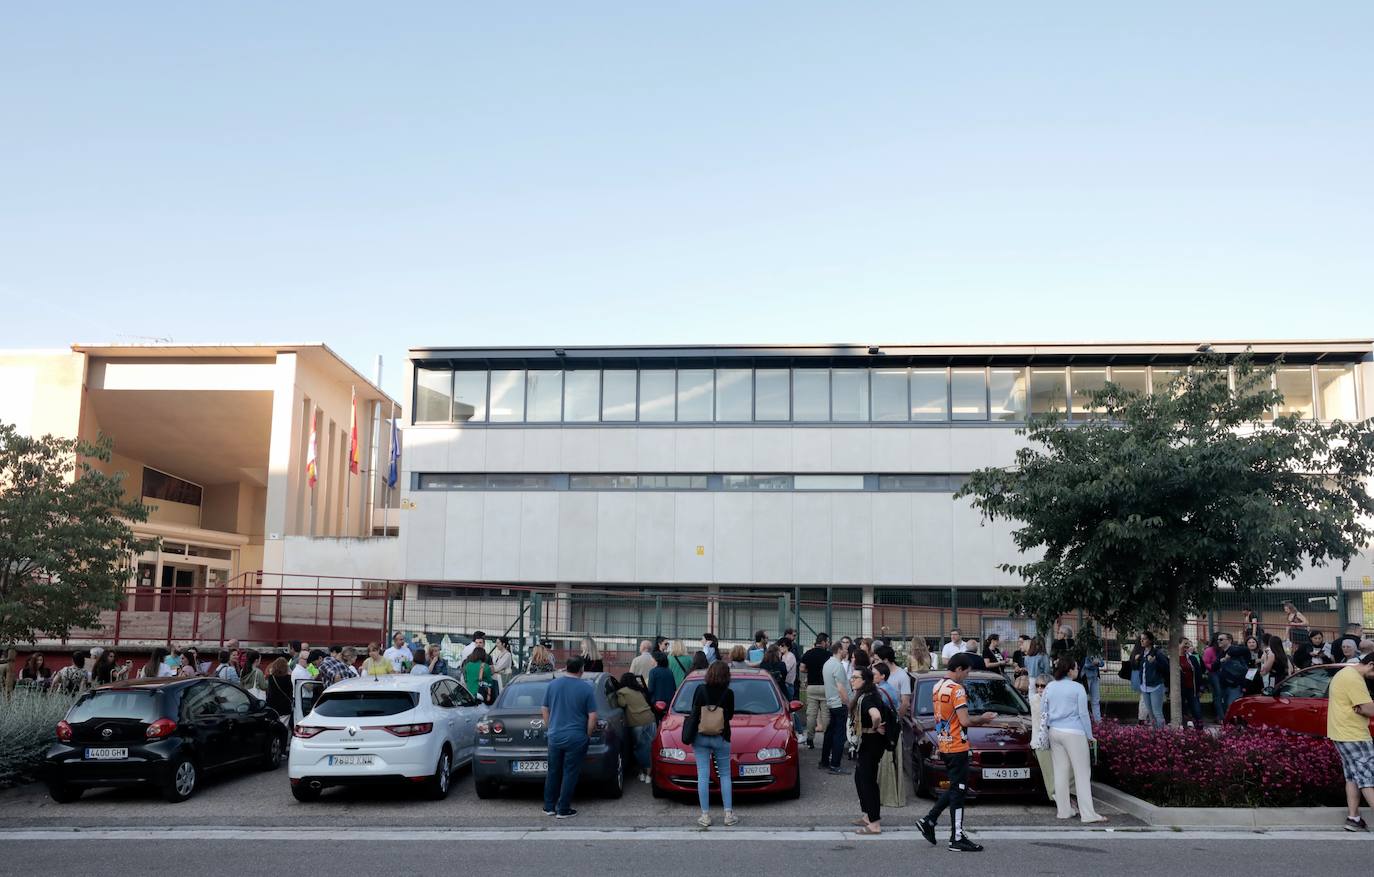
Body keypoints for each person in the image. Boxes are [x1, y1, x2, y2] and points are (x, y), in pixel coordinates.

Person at [916, 653, 999, 852]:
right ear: (959, 669)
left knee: (955, 787)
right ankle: (956, 837)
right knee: (959, 791)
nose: (967, 676)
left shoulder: (938, 686)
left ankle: (930, 820)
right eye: (967, 672)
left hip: (944, 743)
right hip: (957, 745)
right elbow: (965, 721)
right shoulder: (957, 689)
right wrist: (984, 718)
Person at [1044, 658, 1105, 823]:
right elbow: (1084, 714)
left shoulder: (1050, 686)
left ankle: (1063, 811)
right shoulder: (1078, 687)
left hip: (1054, 731)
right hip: (1074, 732)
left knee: (1060, 771)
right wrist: (1090, 735)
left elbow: (1045, 710)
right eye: (1076, 667)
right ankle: (1088, 814)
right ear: (1070, 670)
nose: (1078, 670)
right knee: (1082, 773)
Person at [542, 656, 598, 819]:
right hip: (576, 737)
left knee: (553, 771)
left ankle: (549, 806)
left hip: (555, 736)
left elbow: (544, 709)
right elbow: (593, 716)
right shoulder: (586, 688)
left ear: (566, 667)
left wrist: (551, 727)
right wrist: (587, 735)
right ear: (581, 669)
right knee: (570, 772)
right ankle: (563, 808)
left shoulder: (552, 685)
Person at [684, 660, 737, 827]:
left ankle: (705, 815)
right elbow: (729, 717)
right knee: (725, 775)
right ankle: (728, 814)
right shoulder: (728, 693)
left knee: (703, 774)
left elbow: (693, 710)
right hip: (721, 736)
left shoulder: (700, 689)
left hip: (700, 736)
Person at [1327, 652, 1374, 831]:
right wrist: (1366, 708)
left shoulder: (1345, 673)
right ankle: (1353, 818)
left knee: (1353, 776)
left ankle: (1353, 818)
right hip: (1354, 734)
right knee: (1368, 778)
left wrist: (1364, 708)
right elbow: (1369, 708)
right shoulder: (1354, 679)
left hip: (1340, 732)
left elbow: (1363, 707)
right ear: (1371, 664)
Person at [849, 668, 889, 834]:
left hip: (870, 743)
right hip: (867, 743)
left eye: (855, 677)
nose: (852, 680)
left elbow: (876, 715)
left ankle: (875, 823)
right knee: (860, 777)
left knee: (868, 781)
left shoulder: (866, 699)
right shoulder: (867, 696)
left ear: (864, 681)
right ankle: (868, 815)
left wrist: (874, 727)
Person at [872, 661, 906, 809]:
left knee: (887, 764)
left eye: (874, 674)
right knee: (893, 763)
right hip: (895, 730)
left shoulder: (880, 692)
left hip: (886, 732)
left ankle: (887, 797)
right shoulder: (889, 688)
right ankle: (892, 796)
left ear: (883, 676)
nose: (872, 676)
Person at [614, 672, 657, 784]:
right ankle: (649, 775)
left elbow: (622, 704)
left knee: (638, 748)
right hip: (650, 718)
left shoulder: (621, 692)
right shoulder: (640, 691)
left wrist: (618, 695)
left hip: (636, 721)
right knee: (649, 746)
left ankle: (642, 773)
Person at [820, 642, 851, 775]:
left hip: (831, 702)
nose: (846, 652)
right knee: (839, 735)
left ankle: (824, 761)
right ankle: (835, 765)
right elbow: (841, 688)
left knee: (830, 732)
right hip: (839, 703)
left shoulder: (827, 663)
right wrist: (848, 704)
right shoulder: (838, 666)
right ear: (839, 650)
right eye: (845, 649)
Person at [1028, 673, 1056, 802]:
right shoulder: (1036, 700)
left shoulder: (1048, 699)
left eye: (1042, 686)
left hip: (1053, 741)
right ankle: (1058, 799)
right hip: (1041, 743)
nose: (1039, 689)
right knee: (1050, 774)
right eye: (1037, 686)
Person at [1133, 632, 1168, 726]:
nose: (1142, 641)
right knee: (1151, 714)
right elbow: (1139, 668)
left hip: (1156, 686)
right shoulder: (1142, 653)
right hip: (1145, 687)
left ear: (1150, 640)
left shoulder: (1157, 653)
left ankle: (1162, 735)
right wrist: (1136, 661)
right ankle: (1155, 735)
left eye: (1144, 639)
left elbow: (1166, 667)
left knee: (1157, 713)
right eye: (1141, 639)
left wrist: (1154, 662)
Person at [1203, 633, 1231, 722]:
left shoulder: (1225, 650)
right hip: (1214, 673)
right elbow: (1206, 663)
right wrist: (1213, 667)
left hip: (1225, 674)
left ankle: (1224, 716)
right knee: (1218, 695)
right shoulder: (1209, 650)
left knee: (1225, 695)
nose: (1221, 641)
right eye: (1220, 639)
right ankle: (1221, 717)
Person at [1179, 639, 1203, 726]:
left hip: (1192, 688)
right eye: (1185, 644)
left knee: (1196, 710)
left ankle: (1199, 729)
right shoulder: (1172, 659)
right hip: (1179, 690)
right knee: (1182, 711)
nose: (1187, 646)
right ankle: (1184, 730)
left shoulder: (1192, 658)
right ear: (1178, 645)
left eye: (1188, 644)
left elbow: (1199, 673)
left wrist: (1200, 688)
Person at [265, 657, 294, 722]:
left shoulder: (271, 678)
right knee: (283, 727)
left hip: (272, 706)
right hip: (285, 707)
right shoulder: (289, 679)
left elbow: (269, 692)